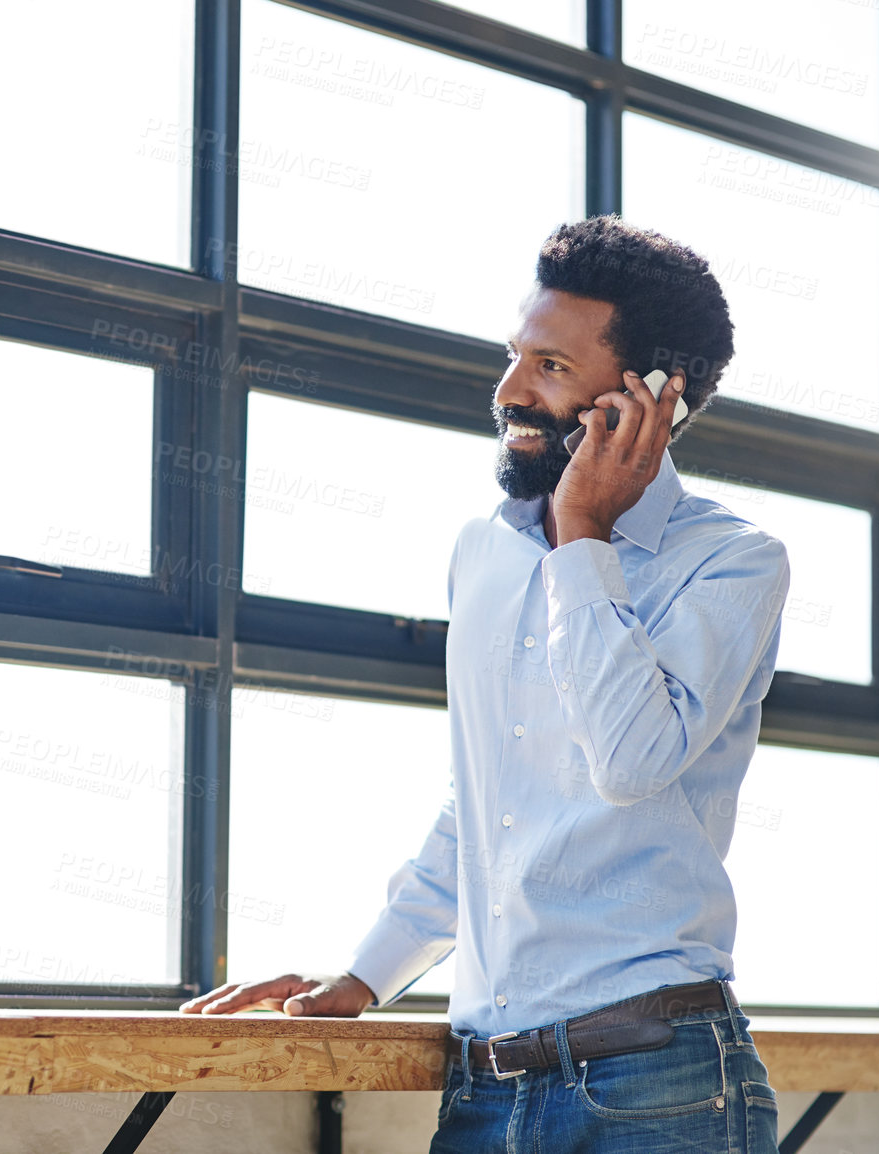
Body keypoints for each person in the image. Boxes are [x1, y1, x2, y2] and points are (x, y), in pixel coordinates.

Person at [181, 216, 790, 1153]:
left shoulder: (733, 563)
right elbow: (485, 806)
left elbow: (631, 760)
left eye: (549, 366)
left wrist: (582, 534)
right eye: (515, 356)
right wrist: (365, 975)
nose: (508, 390)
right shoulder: (485, 552)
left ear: (651, 398)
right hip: (486, 1090)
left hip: (659, 1086)